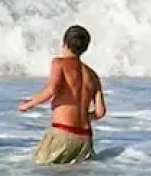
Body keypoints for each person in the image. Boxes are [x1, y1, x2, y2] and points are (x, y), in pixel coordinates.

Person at [18, 24, 105, 164]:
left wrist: (28, 105)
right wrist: (81, 115)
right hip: (84, 139)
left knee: (37, 172)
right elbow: (100, 112)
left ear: (64, 43)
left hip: (62, 132)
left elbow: (52, 90)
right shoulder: (93, 75)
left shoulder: (59, 63)